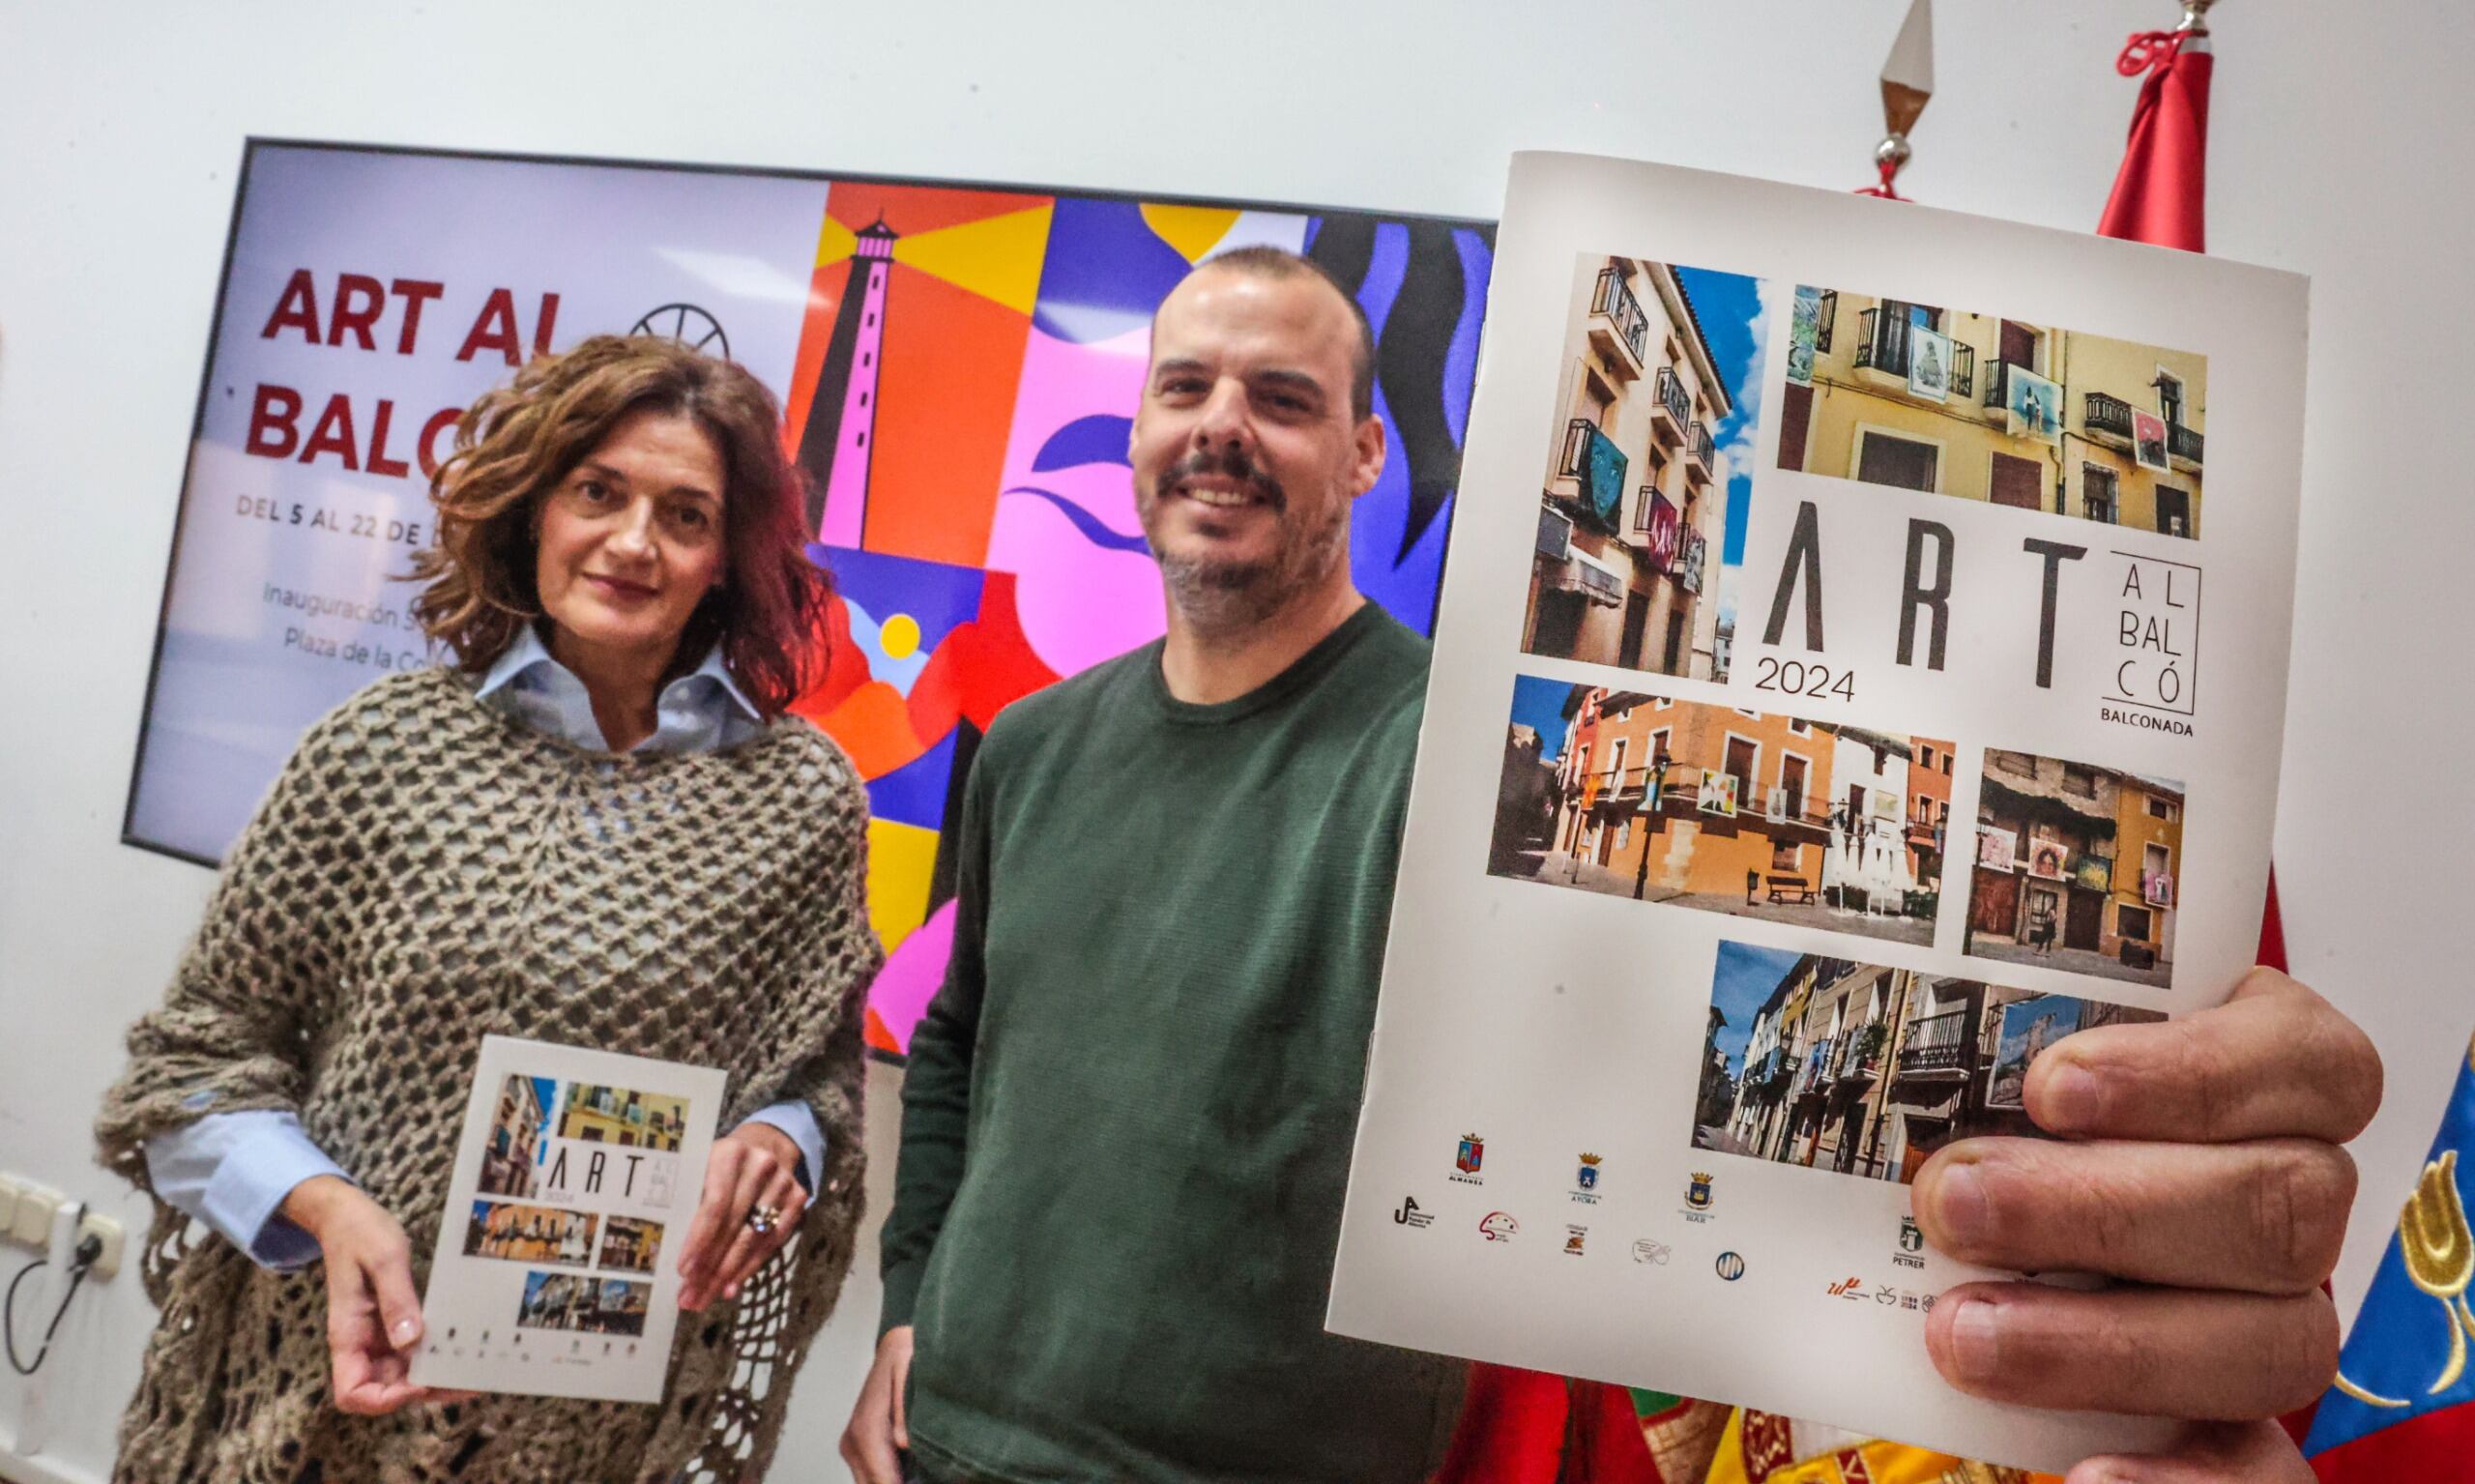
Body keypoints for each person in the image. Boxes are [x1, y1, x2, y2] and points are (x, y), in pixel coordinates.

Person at [838, 246, 2380, 1484]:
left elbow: (1639, 1062)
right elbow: (967, 1048)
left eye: (1284, 397)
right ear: (1139, 430)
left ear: (1368, 452)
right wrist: (911, 1311)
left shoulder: (1464, 759)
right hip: (957, 1438)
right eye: (1186, 385)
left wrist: (2119, 1043)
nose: (1220, 425)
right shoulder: (1032, 742)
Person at [96, 335, 882, 1482]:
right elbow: (192, 1068)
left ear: (727, 557)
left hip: (599, 1436)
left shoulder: (801, 800)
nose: (631, 542)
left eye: (684, 514)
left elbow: (817, 1080)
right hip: (311, 1403)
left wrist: (782, 1140)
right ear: (532, 511)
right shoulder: (384, 750)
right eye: (597, 493)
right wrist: (324, 1205)